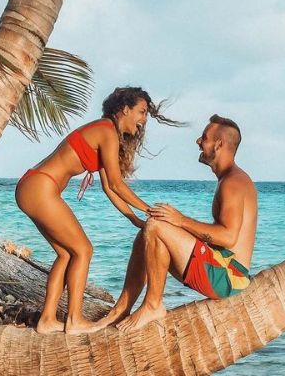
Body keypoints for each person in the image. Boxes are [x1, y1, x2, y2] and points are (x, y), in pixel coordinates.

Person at [15, 86, 179, 334]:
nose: (144, 120)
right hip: (40, 187)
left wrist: (134, 218)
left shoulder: (105, 133)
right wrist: (149, 210)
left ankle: (47, 320)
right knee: (83, 250)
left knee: (67, 254)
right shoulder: (106, 131)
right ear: (125, 109)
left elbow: (109, 188)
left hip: (33, 187)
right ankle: (74, 320)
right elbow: (116, 183)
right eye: (142, 112)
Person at [96, 114, 258, 332]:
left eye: (204, 138)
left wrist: (180, 220)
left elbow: (228, 237)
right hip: (220, 265)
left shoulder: (233, 183)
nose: (198, 142)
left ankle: (153, 305)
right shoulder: (230, 179)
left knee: (155, 226)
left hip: (229, 275)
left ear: (219, 145)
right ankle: (122, 309)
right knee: (149, 230)